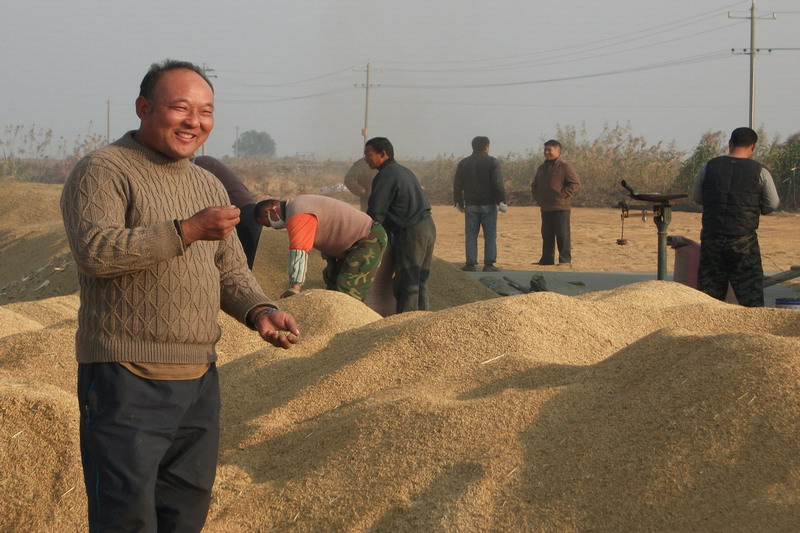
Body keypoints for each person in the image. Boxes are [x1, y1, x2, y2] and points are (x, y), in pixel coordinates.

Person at [60, 59, 300, 533]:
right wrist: (186, 230)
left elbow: (229, 269)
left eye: (206, 111)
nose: (195, 121)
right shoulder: (103, 170)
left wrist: (260, 310)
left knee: (184, 515)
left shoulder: (207, 183)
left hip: (198, 382)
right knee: (125, 518)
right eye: (181, 108)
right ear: (143, 108)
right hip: (125, 375)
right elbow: (95, 252)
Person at [692, 126, 780, 307]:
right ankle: (752, 325)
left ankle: (706, 323)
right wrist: (758, 209)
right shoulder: (760, 171)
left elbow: (698, 197)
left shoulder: (709, 166)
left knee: (708, 295)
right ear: (753, 147)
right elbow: (772, 203)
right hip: (744, 241)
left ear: (730, 143)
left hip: (712, 238)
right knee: (750, 295)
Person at [254, 194, 387, 300]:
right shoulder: (298, 205)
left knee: (348, 291)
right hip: (350, 244)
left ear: (272, 211)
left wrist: (295, 288)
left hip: (367, 238)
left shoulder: (297, 213)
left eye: (268, 224)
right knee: (332, 283)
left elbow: (299, 251)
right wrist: (330, 263)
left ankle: (352, 325)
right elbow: (328, 230)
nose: (272, 227)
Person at [364, 137, 436, 313]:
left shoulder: (386, 175)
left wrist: (364, 236)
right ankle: (423, 320)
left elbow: (376, 212)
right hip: (428, 227)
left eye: (368, 154)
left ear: (383, 154)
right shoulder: (403, 171)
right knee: (420, 280)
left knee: (407, 282)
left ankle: (407, 323)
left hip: (411, 231)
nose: (365, 158)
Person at [194, 155, 261, 268]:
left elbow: (201, 193)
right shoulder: (206, 162)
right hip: (244, 211)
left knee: (242, 263)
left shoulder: (202, 163)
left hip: (242, 212)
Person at [453, 136, 507, 272]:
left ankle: (470, 263)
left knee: (471, 234)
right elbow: (498, 183)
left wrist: (458, 201)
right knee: (490, 235)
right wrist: (501, 201)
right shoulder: (492, 162)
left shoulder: (463, 163)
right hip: (488, 204)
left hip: (470, 204)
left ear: (473, 147)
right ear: (487, 147)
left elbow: (457, 184)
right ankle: (489, 264)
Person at [531, 139, 581, 265]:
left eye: (549, 150)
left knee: (562, 234)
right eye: (545, 150)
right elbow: (534, 185)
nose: (546, 152)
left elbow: (575, 183)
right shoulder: (542, 168)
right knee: (546, 234)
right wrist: (538, 197)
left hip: (560, 207)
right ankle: (546, 260)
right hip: (546, 207)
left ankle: (564, 260)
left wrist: (562, 195)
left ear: (558, 151)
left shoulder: (564, 166)